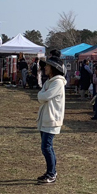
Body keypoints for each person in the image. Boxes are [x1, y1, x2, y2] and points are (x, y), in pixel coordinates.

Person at [36, 51, 67, 184]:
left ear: (53, 68)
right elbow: (41, 96)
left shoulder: (57, 83)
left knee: (46, 147)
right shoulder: (50, 82)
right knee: (47, 147)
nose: (45, 67)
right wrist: (42, 94)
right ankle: (51, 171)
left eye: (47, 66)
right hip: (46, 119)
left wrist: (42, 94)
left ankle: (52, 173)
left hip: (52, 119)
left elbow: (43, 96)